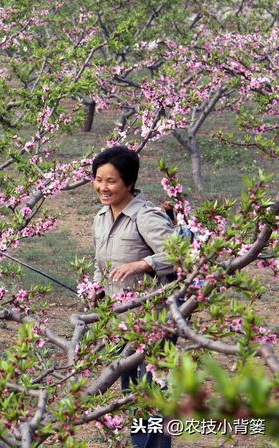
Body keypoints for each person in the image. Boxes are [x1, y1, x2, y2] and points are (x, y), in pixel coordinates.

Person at [91, 146, 175, 448]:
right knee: (133, 392)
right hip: (123, 322)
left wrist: (143, 264)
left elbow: (183, 254)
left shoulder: (145, 216)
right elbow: (102, 264)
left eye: (111, 181)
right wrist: (96, 292)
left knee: (151, 394)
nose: (103, 187)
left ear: (128, 182)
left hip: (155, 321)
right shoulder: (101, 217)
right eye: (99, 179)